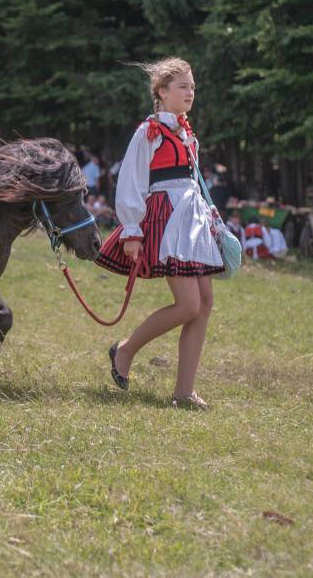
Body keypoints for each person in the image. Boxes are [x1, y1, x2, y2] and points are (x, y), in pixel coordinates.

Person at [97, 57, 223, 409]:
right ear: (162, 92)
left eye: (193, 87)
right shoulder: (148, 131)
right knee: (188, 304)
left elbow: (192, 183)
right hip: (166, 221)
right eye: (183, 86)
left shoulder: (187, 132)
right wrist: (132, 231)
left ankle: (184, 392)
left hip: (192, 220)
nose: (190, 93)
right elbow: (132, 182)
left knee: (204, 305)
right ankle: (125, 350)